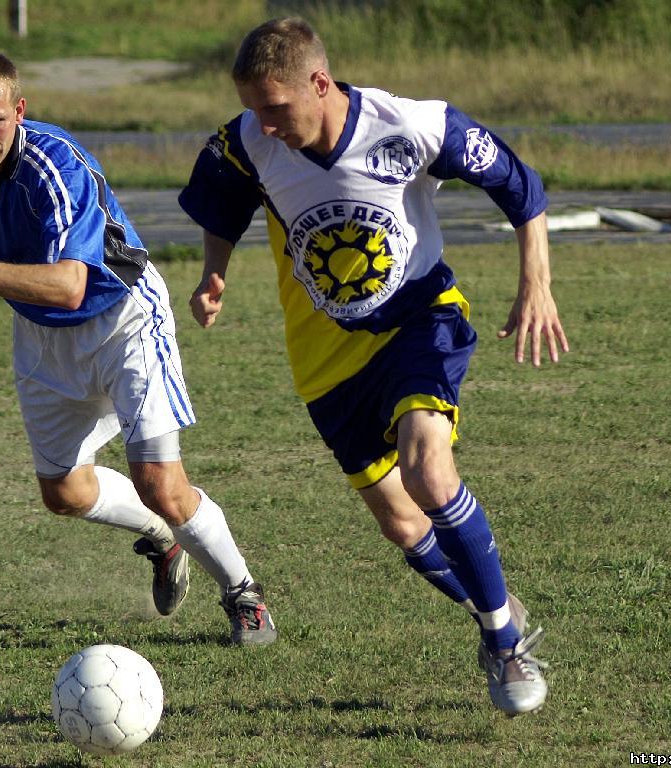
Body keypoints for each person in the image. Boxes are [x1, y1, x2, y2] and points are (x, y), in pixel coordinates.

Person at [179, 18, 568, 712]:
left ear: (319, 83)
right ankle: (490, 607)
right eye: (254, 109)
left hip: (420, 320)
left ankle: (507, 645)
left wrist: (535, 283)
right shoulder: (249, 140)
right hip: (326, 357)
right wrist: (215, 271)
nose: (264, 124)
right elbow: (222, 200)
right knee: (401, 523)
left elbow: (520, 186)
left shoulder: (413, 126)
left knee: (427, 469)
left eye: (276, 107)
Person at [0, 50, 276, 646]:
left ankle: (243, 593)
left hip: (122, 317)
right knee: (65, 494)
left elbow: (70, 286)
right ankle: (162, 537)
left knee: (161, 482)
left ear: (20, 110)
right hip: (41, 333)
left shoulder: (54, 164)